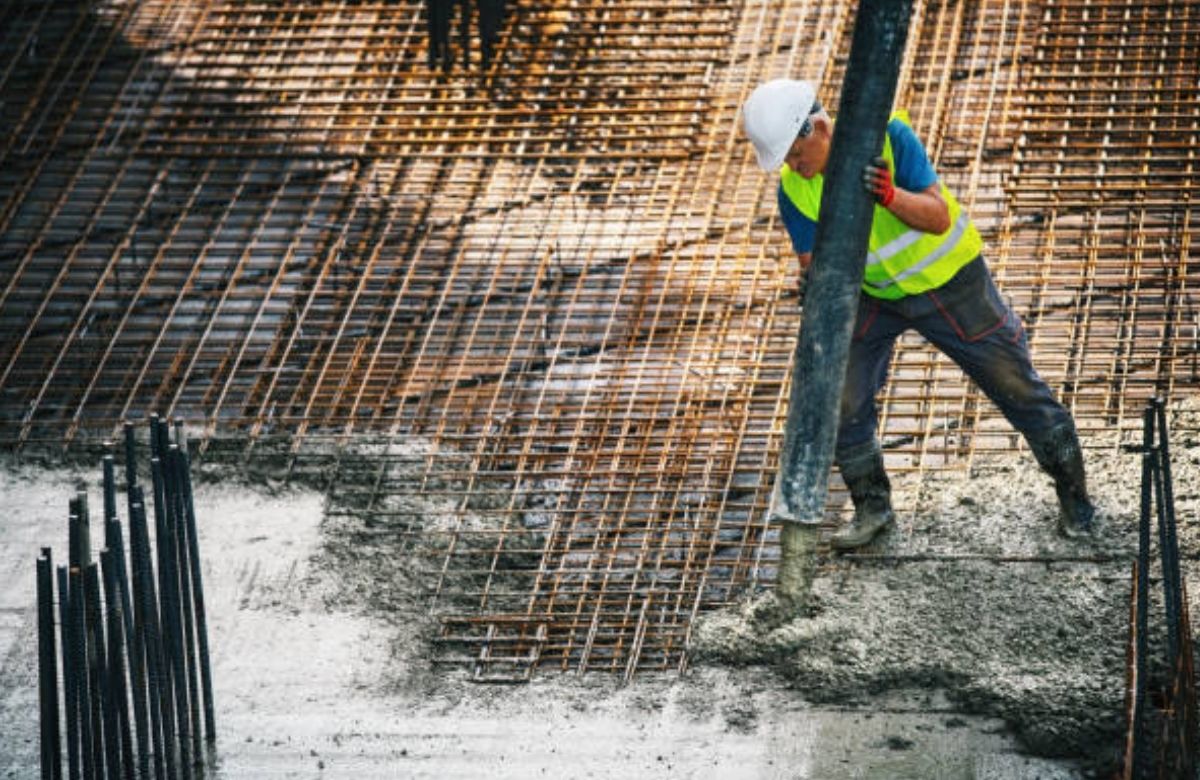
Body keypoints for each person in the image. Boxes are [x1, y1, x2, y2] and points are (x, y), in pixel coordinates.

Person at [742, 78, 1097, 549]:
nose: (792, 167)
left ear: (818, 128)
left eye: (794, 154)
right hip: (874, 294)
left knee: (1013, 382)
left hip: (951, 283)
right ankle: (872, 509)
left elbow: (937, 217)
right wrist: (812, 284)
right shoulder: (794, 190)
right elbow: (813, 264)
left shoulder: (889, 138)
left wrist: (890, 196)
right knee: (841, 394)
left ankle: (1076, 499)